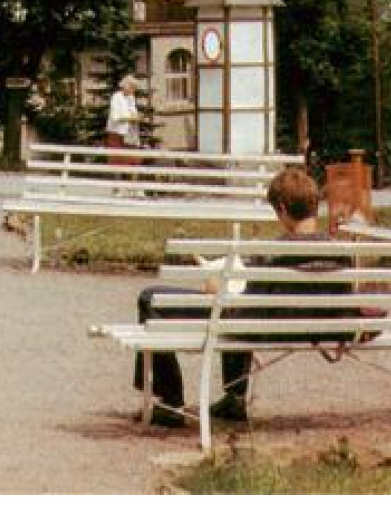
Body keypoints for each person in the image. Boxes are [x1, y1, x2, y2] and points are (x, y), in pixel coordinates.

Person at [132, 166, 346, 427]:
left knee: (150, 297)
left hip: (260, 326)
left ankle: (170, 401)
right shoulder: (341, 252)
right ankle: (234, 398)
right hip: (318, 327)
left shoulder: (271, 253)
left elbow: (246, 311)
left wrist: (218, 292)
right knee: (237, 306)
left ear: (281, 208)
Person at [105, 75, 141, 147]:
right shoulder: (116, 97)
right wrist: (129, 118)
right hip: (116, 133)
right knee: (117, 156)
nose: (133, 90)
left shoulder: (131, 97)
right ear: (125, 86)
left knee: (131, 156)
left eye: (134, 88)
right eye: (132, 87)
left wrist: (136, 117)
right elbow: (114, 117)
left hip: (129, 134)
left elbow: (133, 112)